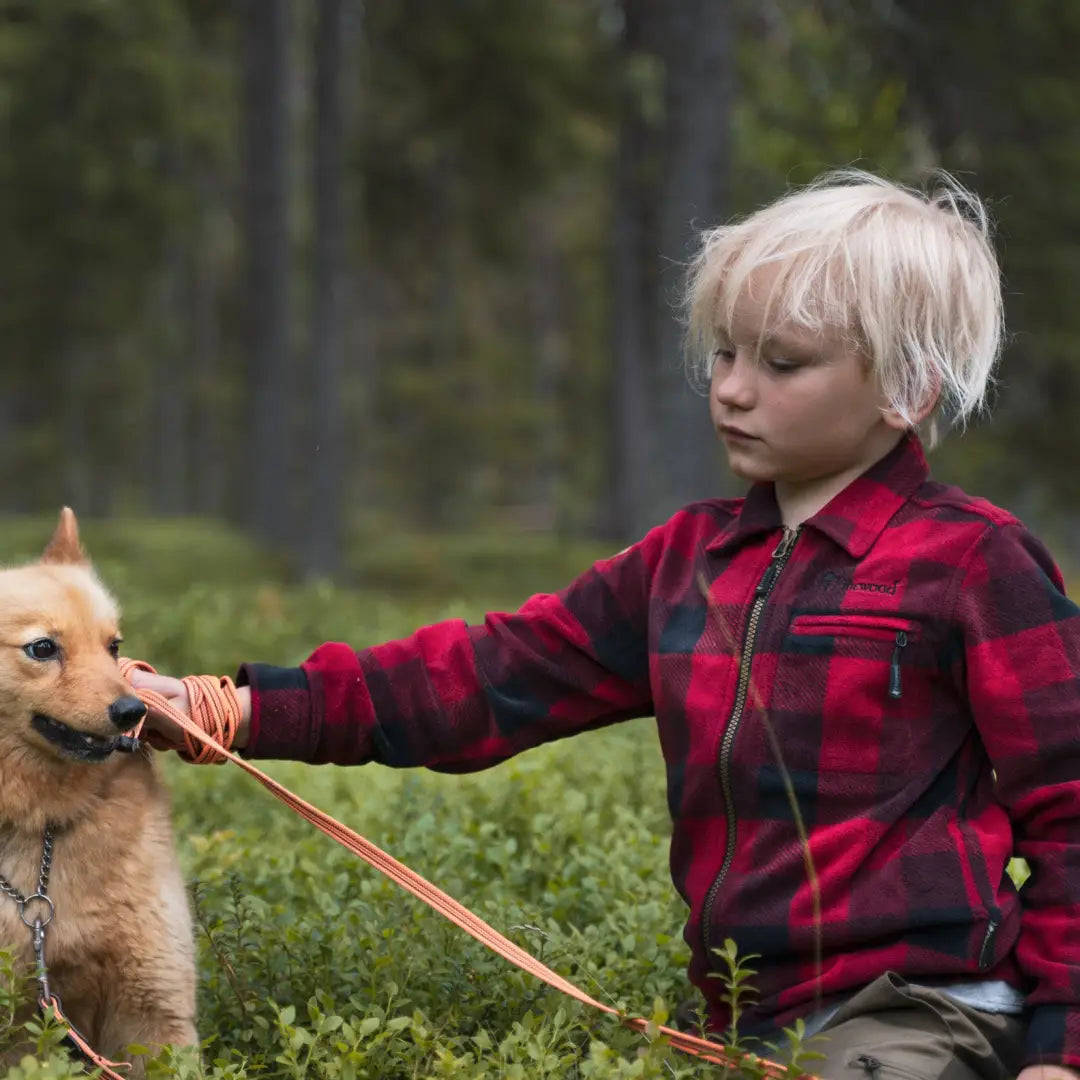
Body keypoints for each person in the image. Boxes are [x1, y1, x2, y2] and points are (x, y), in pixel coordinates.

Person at [133, 170, 1080, 1080]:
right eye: (725, 352)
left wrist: (1060, 1046)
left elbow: (1071, 813)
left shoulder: (973, 562)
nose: (733, 389)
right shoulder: (684, 564)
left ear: (906, 387)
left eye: (781, 362)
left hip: (923, 1008)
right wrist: (234, 709)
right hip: (749, 1017)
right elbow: (487, 678)